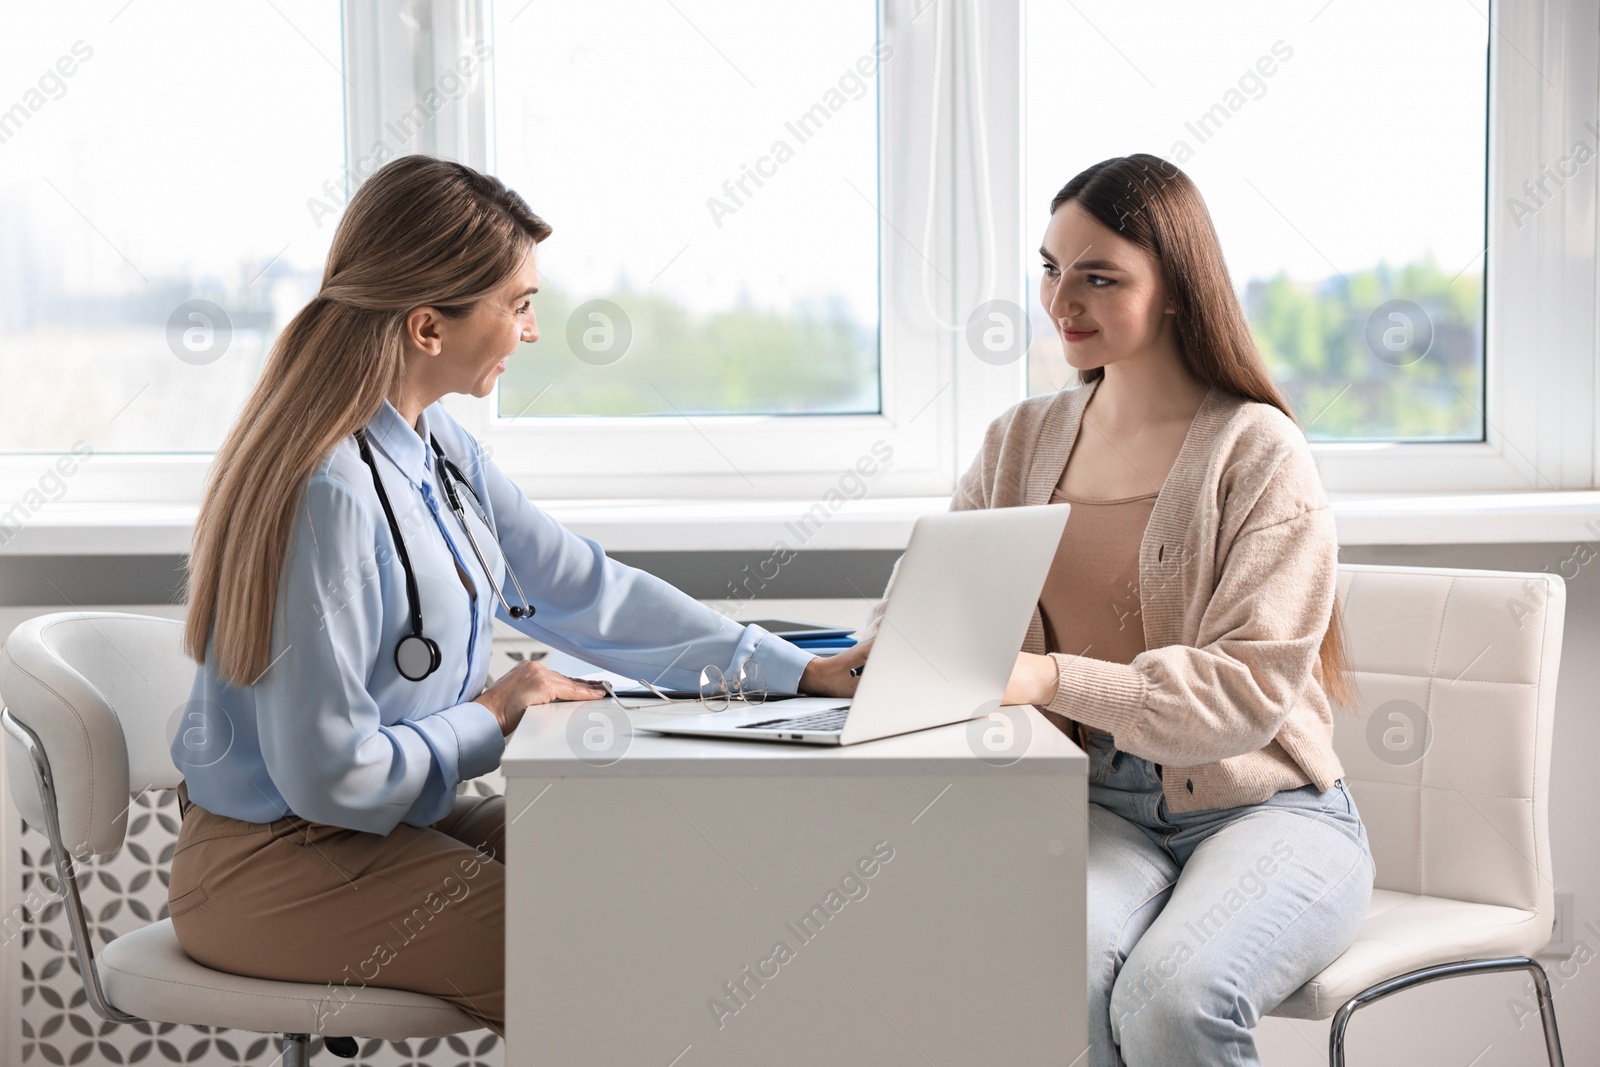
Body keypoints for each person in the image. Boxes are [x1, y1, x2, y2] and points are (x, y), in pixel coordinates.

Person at [169, 154, 867, 1037]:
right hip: (273, 865)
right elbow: (331, 777)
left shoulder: (435, 448)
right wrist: (495, 710)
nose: (530, 332)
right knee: (600, 960)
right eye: (520, 304)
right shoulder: (330, 491)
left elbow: (582, 589)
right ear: (429, 326)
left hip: (378, 831)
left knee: (653, 883)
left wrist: (795, 670)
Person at [861, 153, 1375, 1066]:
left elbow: (1244, 691)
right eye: (1053, 269)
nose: (1064, 301)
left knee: (1174, 1002)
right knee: (1054, 982)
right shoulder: (1020, 439)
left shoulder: (1258, 451)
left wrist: (1046, 676)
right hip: (1093, 804)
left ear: (1176, 287)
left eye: (1100, 276)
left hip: (1266, 811)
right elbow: (929, 612)